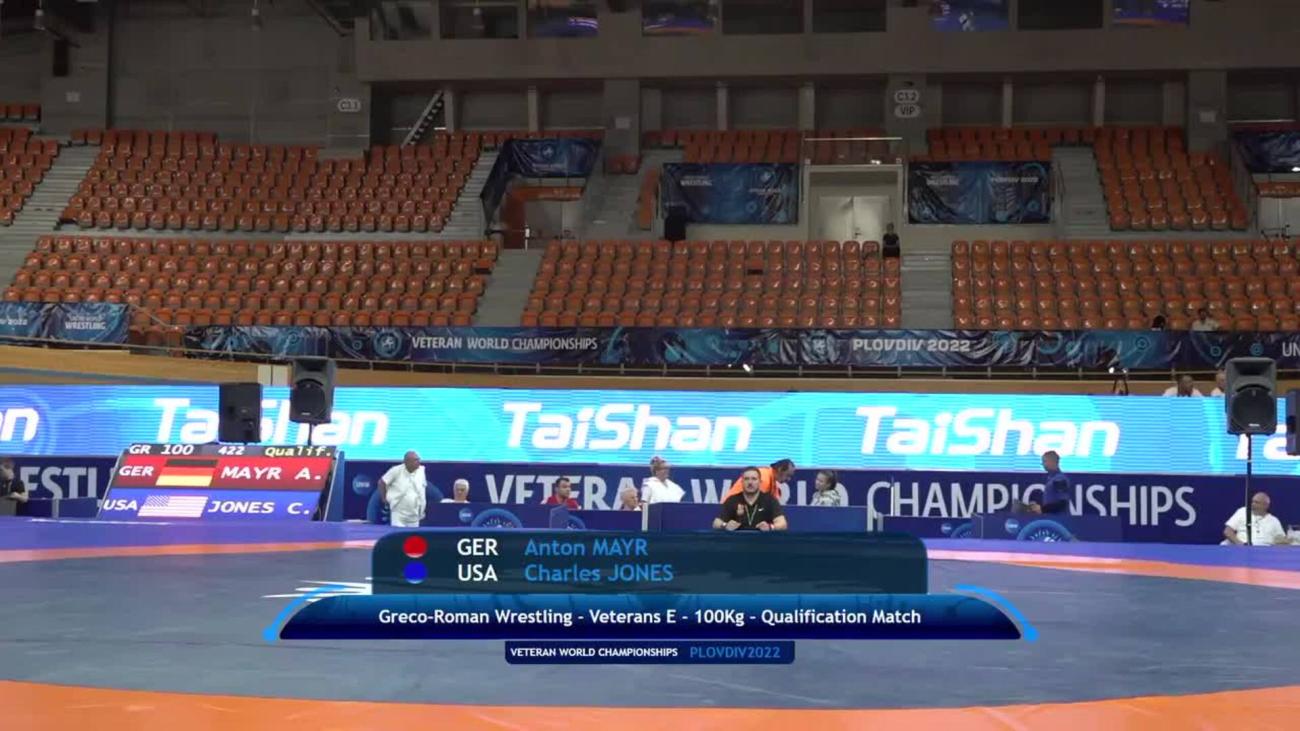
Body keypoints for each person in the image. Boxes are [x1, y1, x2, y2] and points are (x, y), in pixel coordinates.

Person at [714, 467, 788, 532]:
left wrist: (770, 527)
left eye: (754, 479)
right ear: (742, 482)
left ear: (760, 482)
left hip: (762, 541)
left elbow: (783, 524)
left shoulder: (770, 500)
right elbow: (716, 523)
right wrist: (725, 525)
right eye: (746, 479)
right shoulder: (732, 500)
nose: (750, 482)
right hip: (737, 541)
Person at [1223, 492, 1289, 546]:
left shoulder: (1274, 520)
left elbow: (1281, 539)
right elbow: (1228, 531)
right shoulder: (1242, 512)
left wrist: (1290, 540)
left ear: (1266, 505)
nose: (1253, 504)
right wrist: (1240, 544)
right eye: (1252, 502)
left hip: (1265, 551)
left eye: (1257, 502)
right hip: (1243, 548)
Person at [723, 458, 795, 501]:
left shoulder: (771, 481)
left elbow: (776, 504)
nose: (788, 479)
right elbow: (755, 503)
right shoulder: (764, 478)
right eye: (788, 475)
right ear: (780, 469)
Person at [1037, 450, 1070, 515]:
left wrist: (1042, 509)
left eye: (1044, 461)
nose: (1042, 464)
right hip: (1051, 517)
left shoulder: (1060, 479)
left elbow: (1062, 504)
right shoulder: (1051, 478)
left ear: (1052, 462)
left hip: (1058, 519)